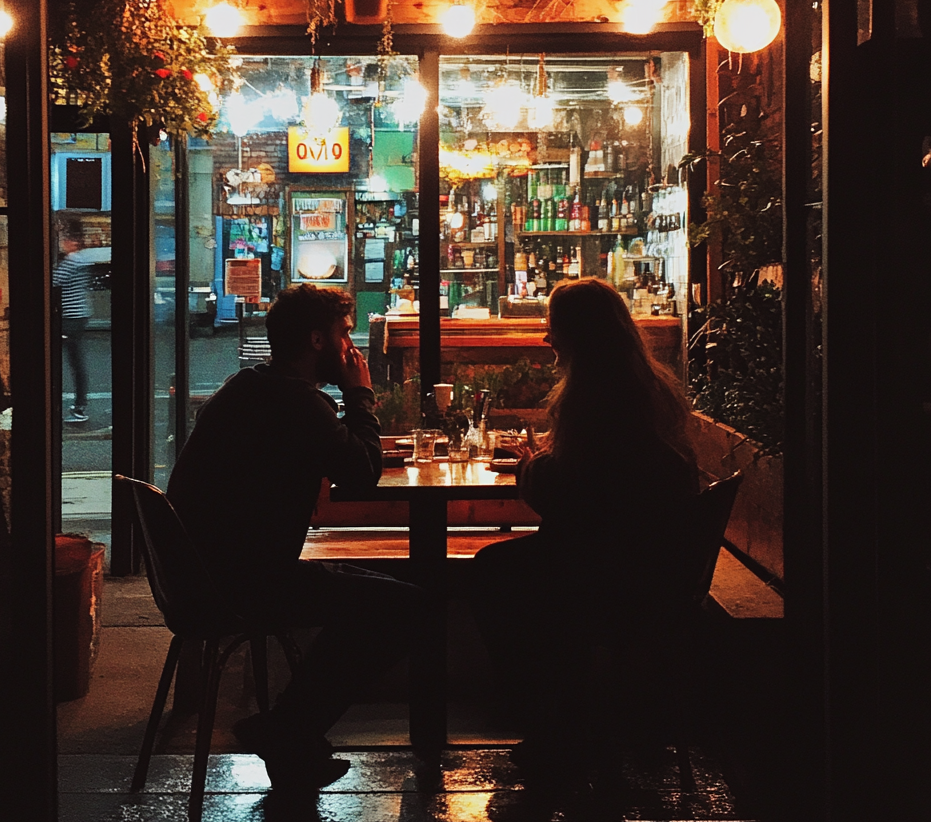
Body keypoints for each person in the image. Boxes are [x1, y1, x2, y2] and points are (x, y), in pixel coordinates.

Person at [166, 283, 424, 791]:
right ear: (315, 341)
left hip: (206, 576)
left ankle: (289, 734)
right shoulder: (298, 402)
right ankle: (286, 727)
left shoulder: (248, 386)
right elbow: (360, 474)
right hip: (243, 584)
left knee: (381, 591)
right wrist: (359, 392)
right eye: (344, 334)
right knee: (405, 607)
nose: (351, 348)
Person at [471, 277, 699, 775]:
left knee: (491, 573)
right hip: (652, 562)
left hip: (609, 571)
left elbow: (562, 497)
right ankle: (562, 712)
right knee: (504, 568)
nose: (546, 339)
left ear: (577, 334)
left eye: (552, 328)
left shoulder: (590, 397)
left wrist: (531, 464)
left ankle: (547, 716)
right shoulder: (644, 386)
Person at [53, 227, 92, 423]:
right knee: (76, 362)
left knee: (73, 362)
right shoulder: (81, 259)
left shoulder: (72, 261)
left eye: (63, 239)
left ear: (72, 241)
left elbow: (53, 282)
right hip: (78, 315)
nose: (61, 242)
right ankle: (79, 404)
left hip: (70, 318)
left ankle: (79, 407)